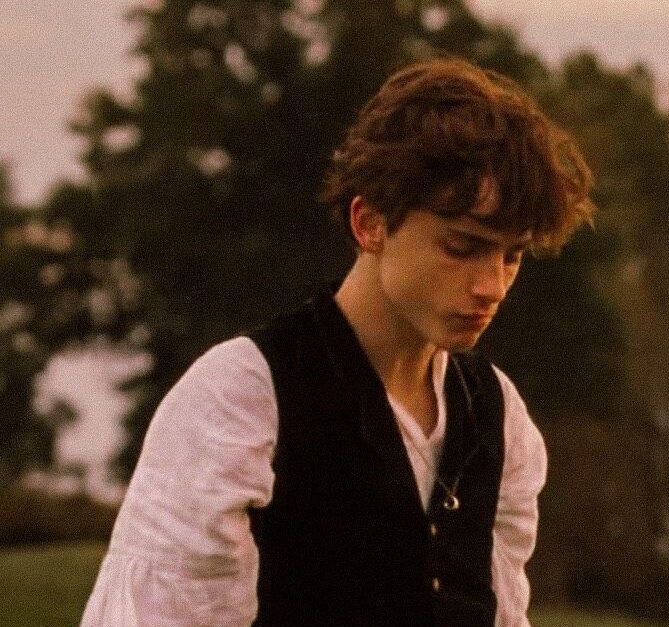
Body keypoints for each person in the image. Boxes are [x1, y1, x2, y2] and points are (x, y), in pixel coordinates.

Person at [81, 57, 594, 627]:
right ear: (369, 223)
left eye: (512, 256)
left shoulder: (497, 415)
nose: (491, 286)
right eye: (461, 247)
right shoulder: (241, 398)